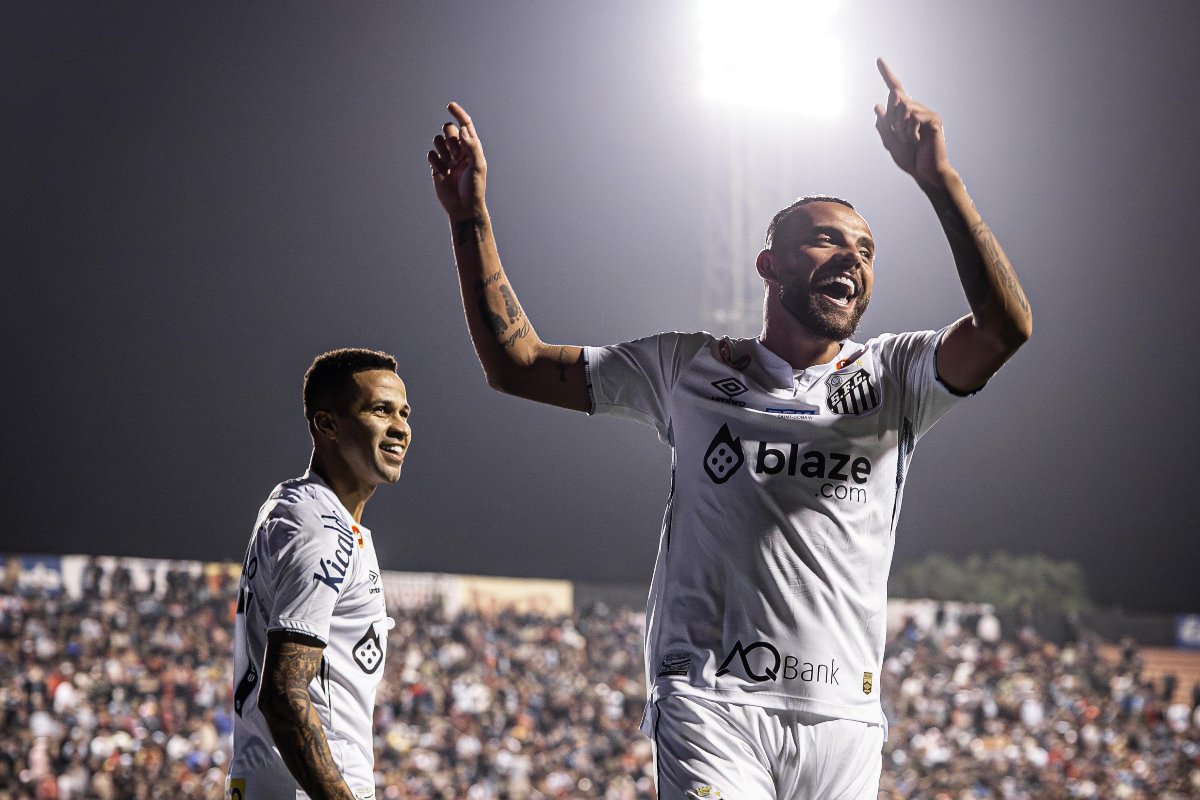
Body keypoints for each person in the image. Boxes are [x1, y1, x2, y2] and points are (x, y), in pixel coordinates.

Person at [429, 58, 1031, 799]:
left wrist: (940, 181)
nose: (852, 256)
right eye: (826, 240)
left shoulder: (900, 374)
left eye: (867, 249)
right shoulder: (686, 368)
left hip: (844, 720)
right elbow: (517, 363)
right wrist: (471, 218)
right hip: (713, 702)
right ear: (769, 265)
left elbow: (1006, 328)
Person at [227, 348, 412, 800]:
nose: (400, 427)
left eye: (404, 413)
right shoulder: (320, 529)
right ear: (326, 424)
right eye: (380, 410)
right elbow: (286, 696)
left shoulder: (302, 507)